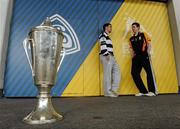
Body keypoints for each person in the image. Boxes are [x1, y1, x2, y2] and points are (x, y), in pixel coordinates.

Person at [129, 22, 156, 97]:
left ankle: (152, 91)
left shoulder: (143, 34)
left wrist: (148, 52)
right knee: (134, 73)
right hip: (136, 57)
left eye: (134, 27)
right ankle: (143, 91)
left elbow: (149, 43)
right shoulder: (131, 38)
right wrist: (132, 55)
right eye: (132, 27)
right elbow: (131, 48)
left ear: (138, 28)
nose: (133, 28)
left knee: (149, 72)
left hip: (144, 55)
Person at [99, 23, 120, 97]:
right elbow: (103, 44)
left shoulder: (108, 37)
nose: (111, 28)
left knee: (117, 72)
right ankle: (107, 93)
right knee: (107, 75)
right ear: (106, 28)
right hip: (106, 56)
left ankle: (113, 90)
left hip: (111, 56)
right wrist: (106, 54)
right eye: (110, 27)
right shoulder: (103, 35)